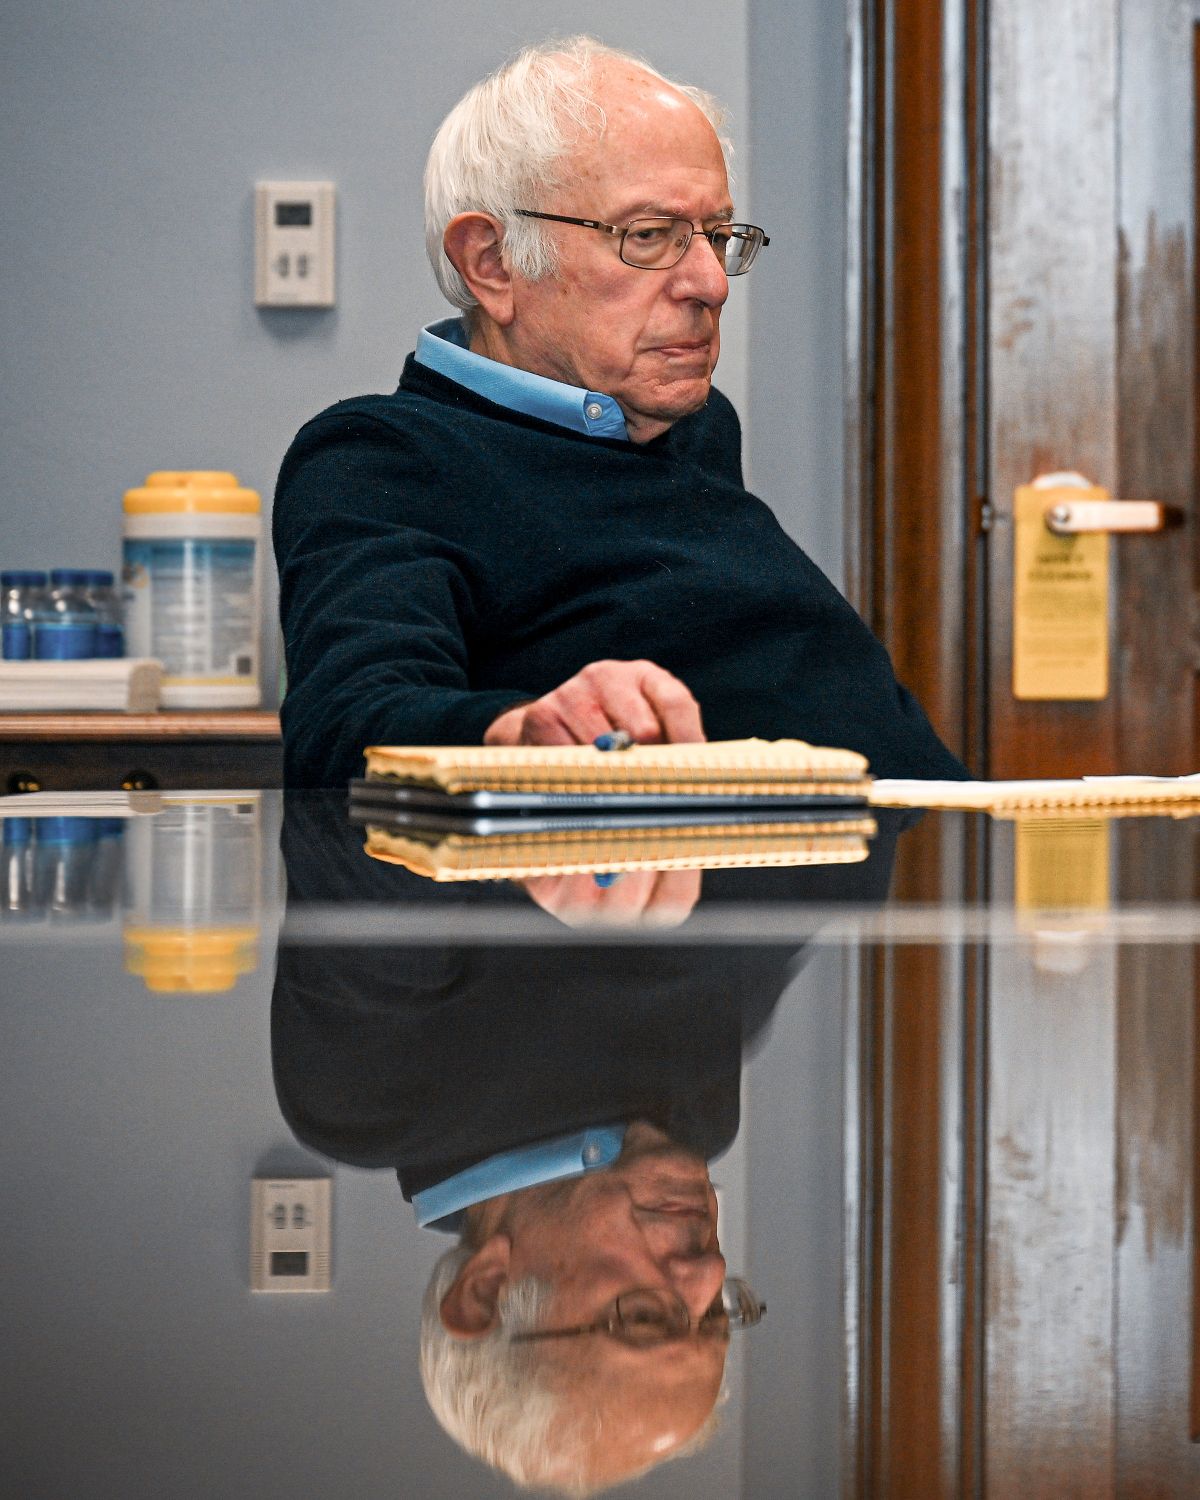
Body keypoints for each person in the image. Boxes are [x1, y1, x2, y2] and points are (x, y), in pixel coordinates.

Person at [274, 34, 967, 788]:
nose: (711, 283)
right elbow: (346, 723)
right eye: (648, 236)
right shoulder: (381, 457)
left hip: (932, 858)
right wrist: (519, 734)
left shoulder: (691, 428)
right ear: (492, 263)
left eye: (716, 236)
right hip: (689, 892)